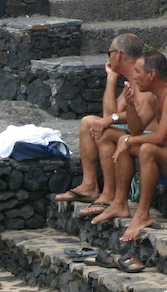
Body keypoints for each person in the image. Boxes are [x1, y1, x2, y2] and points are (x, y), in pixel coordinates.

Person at [91, 51, 167, 241]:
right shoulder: (153, 97)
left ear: (151, 74)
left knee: (145, 148)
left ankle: (142, 215)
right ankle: (119, 204)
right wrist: (130, 106)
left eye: (137, 71)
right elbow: (136, 129)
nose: (134, 76)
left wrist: (130, 141)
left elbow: (160, 138)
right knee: (123, 140)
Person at [54, 33, 156, 215]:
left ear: (118, 54)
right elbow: (109, 114)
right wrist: (111, 79)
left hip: (147, 138)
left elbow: (129, 116)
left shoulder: (144, 77)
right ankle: (90, 185)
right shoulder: (130, 79)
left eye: (109, 53)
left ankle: (109, 193)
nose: (108, 58)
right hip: (133, 133)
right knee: (88, 123)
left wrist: (111, 119)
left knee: (105, 132)